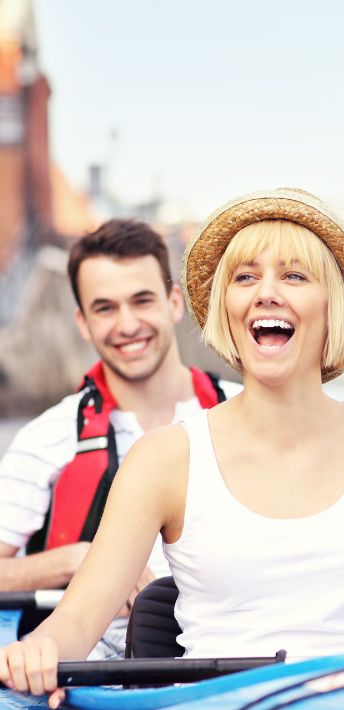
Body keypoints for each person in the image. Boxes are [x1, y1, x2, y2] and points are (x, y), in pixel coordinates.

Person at [0, 188, 344, 705]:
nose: (266, 291)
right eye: (244, 277)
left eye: (294, 275)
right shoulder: (165, 459)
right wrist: (37, 652)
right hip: (220, 701)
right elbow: (73, 625)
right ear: (226, 308)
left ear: (331, 305)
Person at [0, 220, 240, 660]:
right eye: (105, 308)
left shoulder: (244, 414)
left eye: (142, 300)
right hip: (99, 674)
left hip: (238, 657)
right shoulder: (47, 439)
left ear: (173, 303)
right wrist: (79, 560)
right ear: (83, 323)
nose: (127, 324)